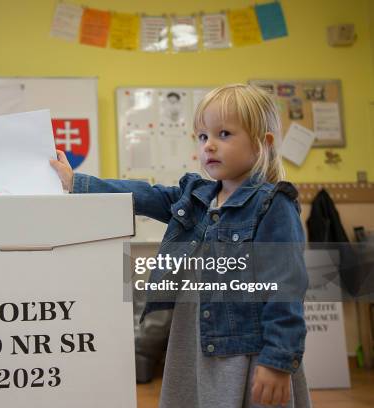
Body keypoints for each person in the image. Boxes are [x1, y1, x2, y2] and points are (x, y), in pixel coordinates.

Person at [50, 84, 311, 407]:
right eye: (202, 137)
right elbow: (143, 195)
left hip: (245, 349)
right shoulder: (196, 197)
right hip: (193, 339)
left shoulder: (274, 205)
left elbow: (286, 290)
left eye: (224, 134)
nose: (209, 146)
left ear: (263, 145)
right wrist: (77, 183)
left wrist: (277, 361)